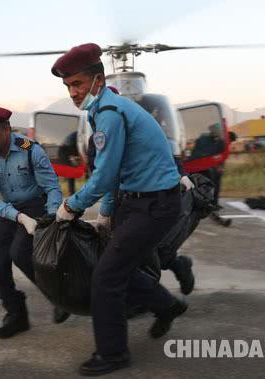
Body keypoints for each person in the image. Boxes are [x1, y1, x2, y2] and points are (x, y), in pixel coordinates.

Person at [51, 43, 186, 376]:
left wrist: (71, 206)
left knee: (106, 277)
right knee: (118, 267)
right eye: (68, 86)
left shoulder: (110, 114)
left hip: (154, 204)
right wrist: (107, 213)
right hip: (136, 201)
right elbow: (118, 172)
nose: (72, 92)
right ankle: (168, 306)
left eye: (78, 84)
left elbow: (104, 175)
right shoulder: (106, 110)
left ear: (98, 80)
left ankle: (113, 354)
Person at [0, 106, 69, 339]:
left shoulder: (30, 149)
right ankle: (16, 314)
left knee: (20, 253)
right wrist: (19, 217)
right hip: (8, 210)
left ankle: (60, 297)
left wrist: (51, 216)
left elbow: (51, 187)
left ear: (7, 130)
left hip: (35, 203)